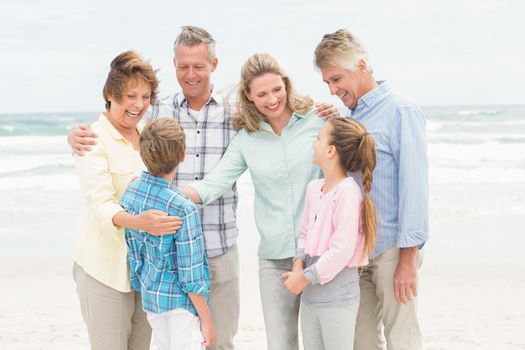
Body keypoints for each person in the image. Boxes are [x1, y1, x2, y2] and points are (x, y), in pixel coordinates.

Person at [68, 26, 339, 350]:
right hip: (169, 253)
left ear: (214, 65)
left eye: (199, 66)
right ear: (174, 65)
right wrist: (74, 136)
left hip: (220, 247)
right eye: (183, 66)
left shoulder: (236, 113)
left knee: (220, 341)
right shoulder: (155, 113)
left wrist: (326, 112)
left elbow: (273, 108)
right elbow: (117, 122)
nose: (191, 74)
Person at [183, 53, 338, 350]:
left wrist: (341, 117)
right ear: (249, 97)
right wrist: (170, 196)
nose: (272, 99)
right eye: (262, 93)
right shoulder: (246, 139)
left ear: (287, 85)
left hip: (321, 253)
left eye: (276, 89)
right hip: (275, 258)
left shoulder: (319, 120)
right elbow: (213, 184)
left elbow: (351, 159)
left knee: (323, 344)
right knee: (280, 345)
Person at [314, 29, 429, 350]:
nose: (334, 89)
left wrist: (408, 260)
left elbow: (415, 190)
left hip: (393, 249)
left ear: (361, 65)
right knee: (359, 341)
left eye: (337, 79)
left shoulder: (400, 111)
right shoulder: (348, 117)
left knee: (402, 338)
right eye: (328, 83)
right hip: (355, 253)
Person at [73, 50, 160, 350]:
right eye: (130, 96)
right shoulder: (92, 139)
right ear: (110, 94)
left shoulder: (150, 134)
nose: (138, 105)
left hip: (146, 271)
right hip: (105, 270)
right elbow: (101, 204)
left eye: (146, 96)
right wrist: (139, 222)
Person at [281, 117, 377, 350]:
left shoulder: (348, 192)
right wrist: (298, 265)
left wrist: (305, 277)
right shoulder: (314, 188)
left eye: (318, 138)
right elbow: (304, 234)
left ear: (331, 150)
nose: (314, 143)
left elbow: (341, 250)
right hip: (311, 296)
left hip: (338, 297)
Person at [120, 117, 215, 350]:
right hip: (181, 307)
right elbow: (190, 276)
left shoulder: (132, 192)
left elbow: (135, 250)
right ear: (183, 154)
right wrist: (207, 320)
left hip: (152, 300)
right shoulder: (183, 208)